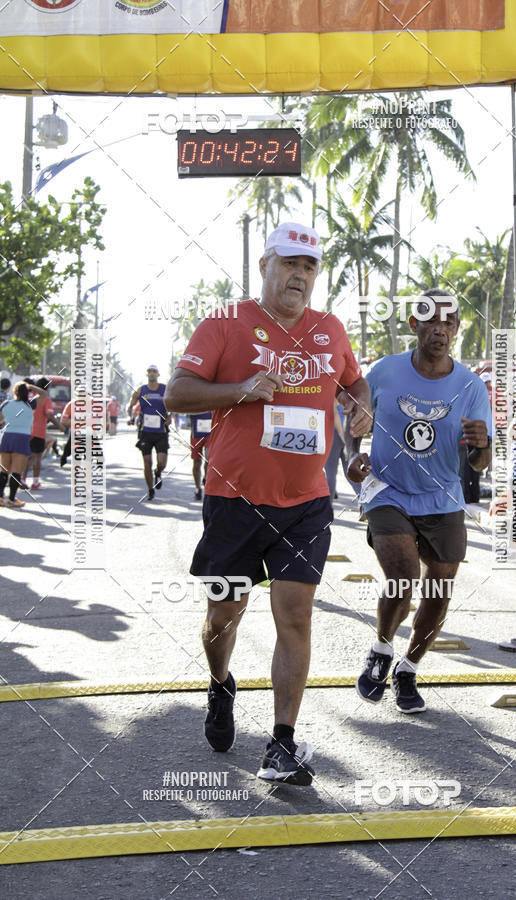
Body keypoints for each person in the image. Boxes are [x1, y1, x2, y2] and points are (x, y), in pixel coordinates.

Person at [165, 221, 371, 786]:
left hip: (305, 502)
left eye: (309, 268)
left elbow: (354, 384)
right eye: (289, 264)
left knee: (295, 614)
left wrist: (360, 410)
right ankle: (220, 683)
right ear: (265, 267)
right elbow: (176, 394)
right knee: (223, 614)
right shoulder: (224, 324)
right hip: (234, 499)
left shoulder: (330, 329)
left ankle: (281, 743)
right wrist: (239, 390)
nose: (299, 276)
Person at [349, 289, 492, 714]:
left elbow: (481, 463)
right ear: (414, 325)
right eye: (431, 320)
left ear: (457, 330)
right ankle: (380, 648)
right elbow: (352, 423)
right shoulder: (384, 372)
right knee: (403, 575)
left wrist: (481, 446)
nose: (440, 329)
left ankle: (408, 668)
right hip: (387, 490)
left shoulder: (469, 385)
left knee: (439, 590)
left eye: (449, 322)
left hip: (443, 496)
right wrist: (352, 458)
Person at [0, 381, 47, 508]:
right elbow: (43, 393)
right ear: (27, 392)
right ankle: (11, 499)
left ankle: (0, 497)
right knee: (16, 470)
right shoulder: (30, 404)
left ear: (14, 392)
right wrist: (30, 386)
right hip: (22, 438)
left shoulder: (6, 404)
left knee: (3, 469)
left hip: (6, 436)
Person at [128, 366, 170, 501]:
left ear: (158, 374)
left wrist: (170, 416)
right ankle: (150, 489)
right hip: (145, 431)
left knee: (162, 463)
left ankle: (158, 473)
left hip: (161, 431)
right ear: (147, 374)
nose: (152, 374)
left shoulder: (165, 389)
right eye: (149, 371)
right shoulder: (141, 390)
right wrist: (131, 417)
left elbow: (174, 402)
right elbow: (131, 405)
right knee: (147, 462)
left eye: (154, 371)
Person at [23, 377, 64, 490]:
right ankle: (35, 483)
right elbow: (49, 415)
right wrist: (60, 426)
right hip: (38, 432)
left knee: (28, 457)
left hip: (26, 431)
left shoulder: (29, 396)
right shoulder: (45, 399)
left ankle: (22, 480)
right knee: (37, 458)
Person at [324, 401, 360, 500]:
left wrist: (342, 435)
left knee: (330, 472)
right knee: (349, 471)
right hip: (347, 432)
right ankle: (365, 501)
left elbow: (334, 412)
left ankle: (328, 506)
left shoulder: (335, 388)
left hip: (336, 433)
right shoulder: (350, 389)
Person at [190, 412, 212, 500]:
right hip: (196, 433)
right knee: (196, 462)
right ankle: (198, 488)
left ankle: (206, 480)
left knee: (209, 459)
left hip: (210, 432)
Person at [59, 400, 72, 467]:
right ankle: (63, 459)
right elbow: (63, 420)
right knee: (68, 450)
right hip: (76, 433)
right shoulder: (71, 404)